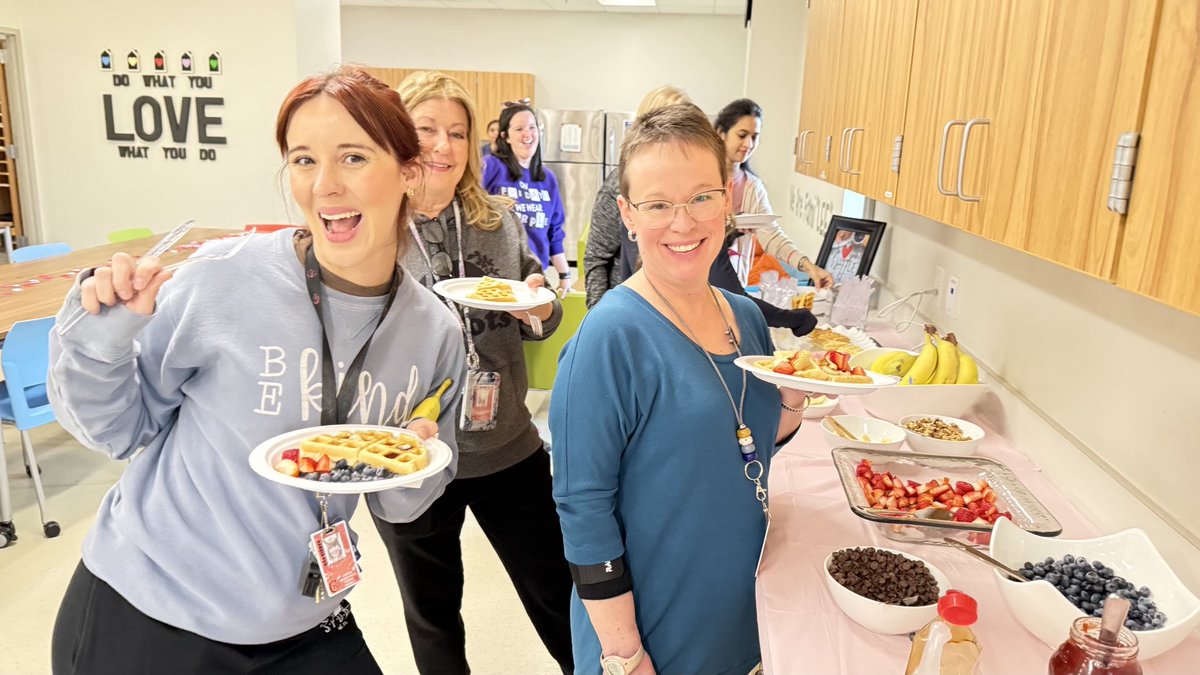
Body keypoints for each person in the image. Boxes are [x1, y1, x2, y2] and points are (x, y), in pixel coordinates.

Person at [45, 66, 466, 674]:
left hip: (305, 615)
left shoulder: (434, 332)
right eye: (302, 160)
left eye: (352, 157)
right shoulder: (224, 277)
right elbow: (119, 431)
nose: (324, 186)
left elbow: (401, 508)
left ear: (406, 170)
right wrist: (100, 342)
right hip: (152, 609)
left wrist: (411, 463)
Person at [550, 104, 808, 675]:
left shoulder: (747, 318)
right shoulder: (610, 337)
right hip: (652, 635)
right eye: (658, 204)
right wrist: (624, 655)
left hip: (739, 614)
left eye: (701, 197)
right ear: (627, 215)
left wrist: (792, 398)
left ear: (728, 200)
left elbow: (748, 439)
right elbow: (583, 507)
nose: (683, 223)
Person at [372, 71, 574, 675]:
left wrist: (542, 307)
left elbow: (539, 305)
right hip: (410, 456)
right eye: (426, 129)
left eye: (456, 132)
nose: (442, 145)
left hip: (506, 446)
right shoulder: (373, 230)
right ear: (397, 136)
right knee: (433, 616)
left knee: (559, 593)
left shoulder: (498, 221)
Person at [583, 85, 689, 309]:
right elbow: (596, 258)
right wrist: (599, 317)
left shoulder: (689, 185)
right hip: (629, 308)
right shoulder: (619, 184)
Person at [714, 98, 834, 290]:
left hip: (734, 289)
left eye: (754, 137)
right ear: (721, 134)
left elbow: (772, 236)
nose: (748, 144)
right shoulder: (700, 179)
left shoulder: (753, 187)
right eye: (742, 135)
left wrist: (809, 267)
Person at [482, 103, 572, 294]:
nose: (527, 134)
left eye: (532, 127)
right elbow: (470, 208)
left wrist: (564, 275)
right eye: (519, 129)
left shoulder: (547, 179)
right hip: (495, 273)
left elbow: (554, 231)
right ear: (505, 136)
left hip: (535, 276)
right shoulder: (491, 166)